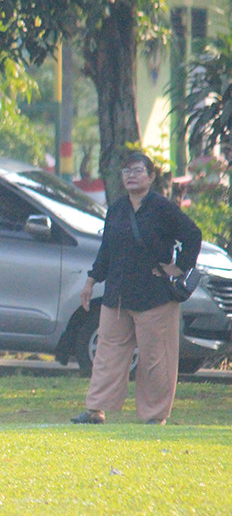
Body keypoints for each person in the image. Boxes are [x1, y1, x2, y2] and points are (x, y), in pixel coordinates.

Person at [71, 152, 201, 425]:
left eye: (138, 170)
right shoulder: (117, 208)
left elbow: (193, 235)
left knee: (156, 359)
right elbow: (107, 248)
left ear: (151, 177)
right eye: (126, 170)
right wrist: (92, 280)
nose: (131, 175)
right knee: (107, 354)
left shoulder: (162, 208)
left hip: (155, 295)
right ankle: (96, 409)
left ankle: (155, 416)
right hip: (117, 293)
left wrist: (178, 268)